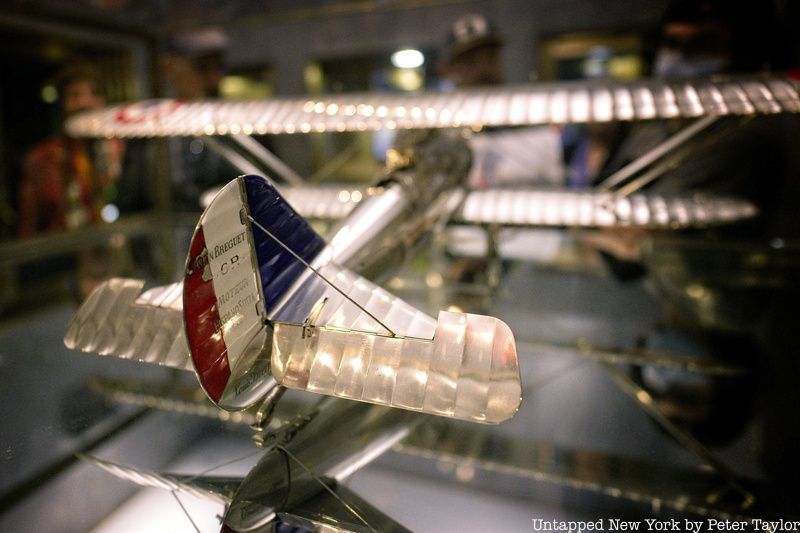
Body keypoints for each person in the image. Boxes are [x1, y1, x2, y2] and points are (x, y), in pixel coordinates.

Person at [437, 14, 564, 189]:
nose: (483, 69)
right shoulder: (439, 131)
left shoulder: (529, 121)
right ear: (448, 71)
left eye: (490, 58)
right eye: (469, 62)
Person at [18, 62, 124, 236]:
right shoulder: (43, 157)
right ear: (62, 105)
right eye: (74, 95)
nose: (85, 102)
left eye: (95, 93)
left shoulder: (121, 150)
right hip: (65, 256)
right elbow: (28, 228)